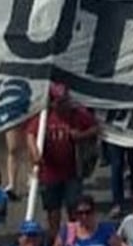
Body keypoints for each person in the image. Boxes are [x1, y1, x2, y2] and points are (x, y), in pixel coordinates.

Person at [27, 83, 101, 232]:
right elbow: (30, 134)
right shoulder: (44, 116)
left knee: (74, 207)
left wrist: (81, 135)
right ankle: (55, 238)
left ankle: (75, 236)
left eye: (65, 100)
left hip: (72, 171)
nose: (63, 105)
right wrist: (35, 153)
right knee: (53, 209)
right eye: (59, 102)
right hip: (49, 172)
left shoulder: (76, 113)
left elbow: (96, 127)